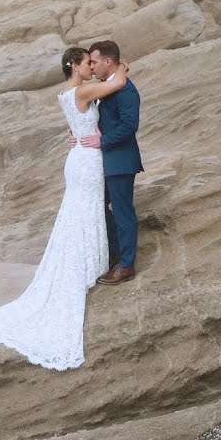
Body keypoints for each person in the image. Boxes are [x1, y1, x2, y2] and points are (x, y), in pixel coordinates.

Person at [0, 47, 130, 370]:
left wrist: (79, 133)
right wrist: (121, 65)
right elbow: (116, 84)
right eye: (87, 62)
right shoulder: (83, 89)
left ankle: (88, 262)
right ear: (74, 65)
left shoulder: (65, 94)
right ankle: (88, 266)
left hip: (78, 157)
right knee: (87, 212)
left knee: (80, 213)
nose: (91, 67)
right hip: (87, 161)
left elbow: (79, 123)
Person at [83, 40, 143, 286]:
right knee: (101, 209)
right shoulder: (104, 87)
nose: (92, 66)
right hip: (103, 161)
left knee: (122, 211)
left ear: (109, 62)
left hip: (120, 161)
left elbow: (130, 126)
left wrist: (102, 141)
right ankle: (115, 254)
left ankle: (126, 265)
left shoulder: (126, 90)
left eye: (94, 61)